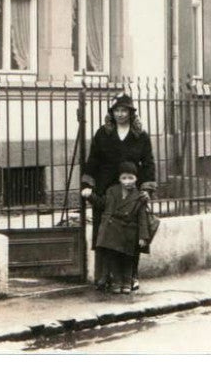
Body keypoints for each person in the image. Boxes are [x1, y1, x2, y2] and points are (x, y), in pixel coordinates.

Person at [80, 93, 157, 290]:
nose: (120, 114)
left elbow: (148, 164)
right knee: (105, 232)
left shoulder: (140, 136)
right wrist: (88, 185)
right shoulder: (103, 134)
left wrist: (146, 189)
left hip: (131, 191)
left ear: (131, 113)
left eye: (124, 110)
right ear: (111, 113)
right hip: (106, 189)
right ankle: (105, 277)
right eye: (117, 111)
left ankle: (131, 276)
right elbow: (93, 160)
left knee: (130, 235)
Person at [94, 161, 151, 294]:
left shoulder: (140, 196)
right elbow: (103, 204)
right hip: (113, 230)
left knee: (128, 259)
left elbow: (142, 218)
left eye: (131, 178)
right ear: (119, 179)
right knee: (114, 258)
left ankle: (127, 282)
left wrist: (143, 236)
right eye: (124, 178)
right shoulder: (112, 191)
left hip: (129, 231)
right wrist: (90, 196)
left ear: (136, 179)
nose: (127, 181)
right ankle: (117, 282)